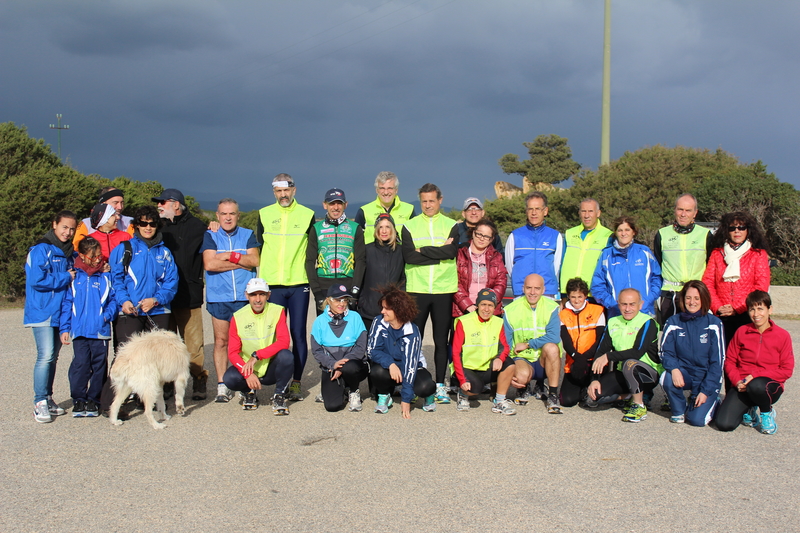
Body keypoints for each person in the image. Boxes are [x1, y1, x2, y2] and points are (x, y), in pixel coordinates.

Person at [104, 206, 179, 417]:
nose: (148, 227)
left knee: (155, 358)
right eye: (143, 223)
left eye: (152, 223)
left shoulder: (164, 252)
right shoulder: (124, 248)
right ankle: (112, 403)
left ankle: (146, 399)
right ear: (136, 225)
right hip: (131, 310)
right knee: (126, 356)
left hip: (158, 310)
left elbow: (171, 283)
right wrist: (124, 300)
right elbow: (116, 279)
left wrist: (156, 299)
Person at [256, 174, 315, 402]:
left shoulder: (307, 215)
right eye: (279, 191)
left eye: (287, 191)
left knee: (298, 334)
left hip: (298, 282)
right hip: (273, 284)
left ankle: (297, 383)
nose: (283, 195)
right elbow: (258, 246)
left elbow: (312, 249)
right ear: (274, 193)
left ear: (294, 190)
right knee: (272, 335)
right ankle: (278, 380)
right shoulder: (264, 214)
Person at [401, 183, 459, 404]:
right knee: (413, 340)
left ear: (440, 200)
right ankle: (413, 382)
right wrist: (439, 252)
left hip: (443, 289)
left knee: (440, 341)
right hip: (417, 288)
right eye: (424, 201)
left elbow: (451, 251)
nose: (427, 205)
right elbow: (409, 257)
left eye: (432, 201)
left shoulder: (452, 225)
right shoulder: (409, 226)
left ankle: (441, 385)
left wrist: (422, 250)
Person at [152, 188, 210, 400]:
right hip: (163, 297)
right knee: (167, 342)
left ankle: (199, 379)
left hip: (189, 294)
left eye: (163, 202)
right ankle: (168, 383)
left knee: (193, 343)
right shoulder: (158, 228)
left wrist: (213, 226)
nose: (159, 205)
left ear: (176, 204)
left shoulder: (197, 227)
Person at [202, 198, 259, 403]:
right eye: (224, 214)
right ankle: (222, 385)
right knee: (221, 341)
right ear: (217, 216)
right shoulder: (210, 235)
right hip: (219, 297)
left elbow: (254, 261)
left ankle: (245, 383)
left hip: (244, 297)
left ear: (238, 215)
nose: (228, 217)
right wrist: (240, 263)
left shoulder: (247, 235)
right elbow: (209, 264)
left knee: (245, 342)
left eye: (232, 214)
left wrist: (229, 256)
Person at [715, 291, 794, 434]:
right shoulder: (741, 331)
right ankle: (750, 410)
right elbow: (730, 361)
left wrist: (755, 375)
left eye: (760, 308)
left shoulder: (782, 335)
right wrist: (737, 381)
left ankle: (766, 413)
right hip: (743, 384)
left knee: (757, 385)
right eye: (752, 309)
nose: (756, 314)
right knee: (723, 424)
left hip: (768, 386)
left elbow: (787, 370)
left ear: (770, 310)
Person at [24, 210, 78, 423]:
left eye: (72, 228)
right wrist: (65, 276)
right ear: (55, 224)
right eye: (64, 227)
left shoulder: (70, 253)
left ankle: (48, 397)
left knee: (53, 358)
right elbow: (37, 279)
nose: (68, 232)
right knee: (45, 356)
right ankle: (39, 402)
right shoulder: (40, 249)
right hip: (42, 311)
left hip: (60, 312)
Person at [59, 236, 117, 418]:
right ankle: (79, 399)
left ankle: (94, 399)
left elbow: (113, 299)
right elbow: (67, 303)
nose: (97, 259)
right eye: (93, 256)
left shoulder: (105, 275)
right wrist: (65, 328)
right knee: (80, 364)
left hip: (100, 331)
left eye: (99, 255)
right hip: (79, 331)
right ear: (83, 256)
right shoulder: (74, 276)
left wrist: (106, 316)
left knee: (99, 365)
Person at [587, 288, 661, 423]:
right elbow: (600, 352)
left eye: (632, 304)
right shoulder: (613, 322)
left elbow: (637, 352)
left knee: (630, 363)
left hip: (647, 374)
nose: (628, 309)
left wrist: (609, 357)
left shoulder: (647, 322)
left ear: (641, 304)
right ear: (618, 304)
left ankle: (638, 406)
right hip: (624, 373)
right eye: (624, 304)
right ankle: (630, 396)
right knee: (595, 395)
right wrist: (594, 379)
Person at [224, 278, 294, 415]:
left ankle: (279, 395)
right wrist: (247, 373)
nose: (258, 299)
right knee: (229, 378)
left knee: (287, 356)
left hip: (270, 367)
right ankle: (248, 392)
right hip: (248, 368)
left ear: (268, 295)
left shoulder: (278, 311)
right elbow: (232, 352)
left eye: (262, 294)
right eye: (253, 295)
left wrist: (257, 355)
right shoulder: (237, 317)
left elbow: (284, 341)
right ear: (246, 296)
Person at [659, 280, 724, 426]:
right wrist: (674, 369)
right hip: (685, 373)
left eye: (696, 298)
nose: (692, 302)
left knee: (697, 421)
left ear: (704, 299)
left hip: (705, 377)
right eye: (688, 298)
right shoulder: (673, 322)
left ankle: (714, 401)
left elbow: (718, 362)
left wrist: (706, 391)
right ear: (683, 299)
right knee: (666, 377)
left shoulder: (714, 324)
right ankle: (678, 410)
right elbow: (665, 352)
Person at [701, 211, 770, 345]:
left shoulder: (758, 254)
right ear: (726, 231)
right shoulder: (717, 254)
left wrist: (737, 308)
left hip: (748, 314)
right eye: (732, 228)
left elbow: (761, 286)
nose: (737, 231)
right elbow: (708, 282)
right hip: (721, 315)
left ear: (748, 230)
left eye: (741, 227)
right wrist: (718, 307)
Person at [367, 285, 437, 417]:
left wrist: (406, 399)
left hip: (413, 367)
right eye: (382, 307)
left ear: (398, 311)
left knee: (425, 387)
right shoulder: (378, 322)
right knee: (377, 372)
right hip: (391, 367)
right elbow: (371, 350)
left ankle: (429, 395)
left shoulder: (412, 332)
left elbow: (410, 365)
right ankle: (384, 395)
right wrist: (390, 364)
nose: (382, 311)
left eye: (387, 309)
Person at [503, 273, 562, 413]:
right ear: (523, 289)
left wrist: (529, 344)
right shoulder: (510, 310)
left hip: (543, 359)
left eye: (537, 288)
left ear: (543, 290)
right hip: (523, 358)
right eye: (529, 288)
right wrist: (510, 371)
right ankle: (524, 387)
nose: (533, 292)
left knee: (552, 348)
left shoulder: (551, 307)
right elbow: (507, 343)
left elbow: (554, 337)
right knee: (521, 376)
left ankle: (553, 395)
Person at [451, 289, 516, 415]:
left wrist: (499, 358)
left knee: (510, 364)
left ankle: (499, 401)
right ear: (477, 305)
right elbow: (456, 353)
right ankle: (463, 394)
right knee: (476, 389)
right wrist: (462, 379)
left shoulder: (498, 322)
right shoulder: (464, 321)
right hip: (467, 368)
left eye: (490, 305)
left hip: (487, 367)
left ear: (495, 307)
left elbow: (505, 347)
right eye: (483, 305)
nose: (486, 309)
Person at [653, 194, 713, 325]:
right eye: (680, 209)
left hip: (696, 295)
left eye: (688, 210)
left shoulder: (705, 235)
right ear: (674, 210)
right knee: (669, 335)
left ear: (695, 213)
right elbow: (656, 266)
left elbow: (712, 267)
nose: (683, 214)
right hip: (669, 294)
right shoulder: (662, 234)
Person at [306, 188, 366, 316]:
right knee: (326, 330)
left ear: (345, 205)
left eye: (339, 203)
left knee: (348, 331)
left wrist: (355, 290)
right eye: (332, 203)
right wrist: (316, 293)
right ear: (325, 205)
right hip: (324, 286)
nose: (336, 207)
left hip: (348, 285)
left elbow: (361, 261)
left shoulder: (355, 228)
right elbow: (310, 261)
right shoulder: (316, 228)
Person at [311, 285, 369, 412]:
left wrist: (341, 366)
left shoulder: (355, 317)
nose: (342, 304)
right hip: (331, 367)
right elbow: (316, 350)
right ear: (329, 300)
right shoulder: (319, 321)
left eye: (345, 300)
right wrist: (332, 364)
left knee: (350, 368)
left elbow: (361, 347)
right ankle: (340, 388)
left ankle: (354, 391)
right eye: (338, 300)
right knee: (332, 406)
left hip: (353, 365)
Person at [591, 216, 662, 318]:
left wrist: (648, 300)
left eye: (627, 230)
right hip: (617, 314)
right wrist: (613, 304)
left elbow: (657, 278)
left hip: (644, 312)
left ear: (633, 232)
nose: (623, 233)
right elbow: (597, 286)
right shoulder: (606, 255)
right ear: (615, 233)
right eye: (620, 230)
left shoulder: (644, 252)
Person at [506, 191, 564, 299]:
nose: (534, 213)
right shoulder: (515, 235)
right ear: (526, 211)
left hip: (546, 292)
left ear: (545, 211)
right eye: (530, 209)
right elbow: (510, 266)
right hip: (521, 292)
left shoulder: (555, 236)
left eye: (537, 209)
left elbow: (556, 266)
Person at [559, 278, 606, 408]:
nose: (577, 300)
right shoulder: (563, 314)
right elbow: (566, 342)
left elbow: (600, 340)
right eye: (573, 297)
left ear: (585, 296)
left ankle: (589, 386)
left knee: (599, 396)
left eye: (580, 296)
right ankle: (582, 390)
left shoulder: (597, 311)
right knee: (566, 401)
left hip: (593, 360)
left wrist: (584, 358)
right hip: (574, 360)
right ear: (568, 296)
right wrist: (577, 357)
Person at [357, 213, 405, 331]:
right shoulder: (367, 250)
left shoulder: (401, 251)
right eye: (380, 227)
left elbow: (403, 280)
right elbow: (359, 277)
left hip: (393, 311)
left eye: (387, 227)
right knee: (370, 347)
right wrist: (362, 301)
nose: (384, 231)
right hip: (369, 310)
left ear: (393, 230)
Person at [453, 218, 507, 318]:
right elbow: (454, 282)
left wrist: (488, 305)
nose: (482, 238)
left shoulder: (497, 257)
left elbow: (501, 283)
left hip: (489, 311)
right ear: (473, 233)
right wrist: (467, 304)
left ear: (492, 239)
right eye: (479, 234)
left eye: (487, 236)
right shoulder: (459, 253)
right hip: (462, 310)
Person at [559, 198, 613, 297]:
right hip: (569, 294)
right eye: (583, 211)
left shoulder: (608, 236)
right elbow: (561, 263)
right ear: (579, 213)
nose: (586, 215)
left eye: (590, 211)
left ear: (598, 213)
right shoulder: (569, 233)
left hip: (594, 295)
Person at [354, 171, 416, 244]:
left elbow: (415, 236)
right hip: (371, 254)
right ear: (377, 190)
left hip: (400, 254)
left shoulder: (409, 209)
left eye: (390, 188)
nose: (386, 192)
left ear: (396, 190)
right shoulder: (364, 211)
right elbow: (356, 240)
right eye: (382, 188)